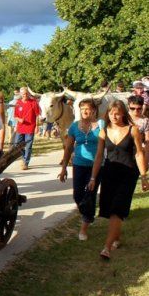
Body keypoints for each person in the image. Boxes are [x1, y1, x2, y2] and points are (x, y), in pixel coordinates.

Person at [88, 100, 149, 260]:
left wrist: (144, 176)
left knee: (117, 209)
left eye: (117, 113)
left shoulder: (133, 129)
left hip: (128, 174)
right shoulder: (103, 132)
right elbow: (99, 156)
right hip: (109, 173)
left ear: (123, 113)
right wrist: (93, 177)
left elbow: (139, 153)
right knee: (109, 210)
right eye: (111, 113)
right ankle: (116, 237)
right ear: (107, 114)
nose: (114, 116)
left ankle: (106, 248)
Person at [58, 99, 105, 241]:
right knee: (78, 196)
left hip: (96, 166)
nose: (85, 111)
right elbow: (68, 148)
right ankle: (89, 214)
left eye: (88, 108)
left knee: (90, 195)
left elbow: (104, 146)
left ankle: (84, 228)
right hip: (78, 164)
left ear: (94, 111)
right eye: (82, 108)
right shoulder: (73, 127)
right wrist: (64, 168)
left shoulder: (101, 125)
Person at [14, 87, 41, 170]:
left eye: (26, 93)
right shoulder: (18, 103)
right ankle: (23, 157)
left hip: (30, 127)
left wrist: (37, 126)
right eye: (23, 94)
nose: (24, 95)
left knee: (28, 146)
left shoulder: (33, 102)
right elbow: (15, 116)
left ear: (28, 93)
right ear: (20, 94)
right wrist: (19, 119)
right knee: (17, 144)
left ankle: (26, 162)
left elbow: (37, 115)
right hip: (20, 127)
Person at [128, 95, 149, 168]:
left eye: (139, 109)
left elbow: (148, 140)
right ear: (128, 106)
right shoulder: (123, 117)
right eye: (132, 108)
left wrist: (146, 159)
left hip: (139, 151)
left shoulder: (145, 120)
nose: (135, 111)